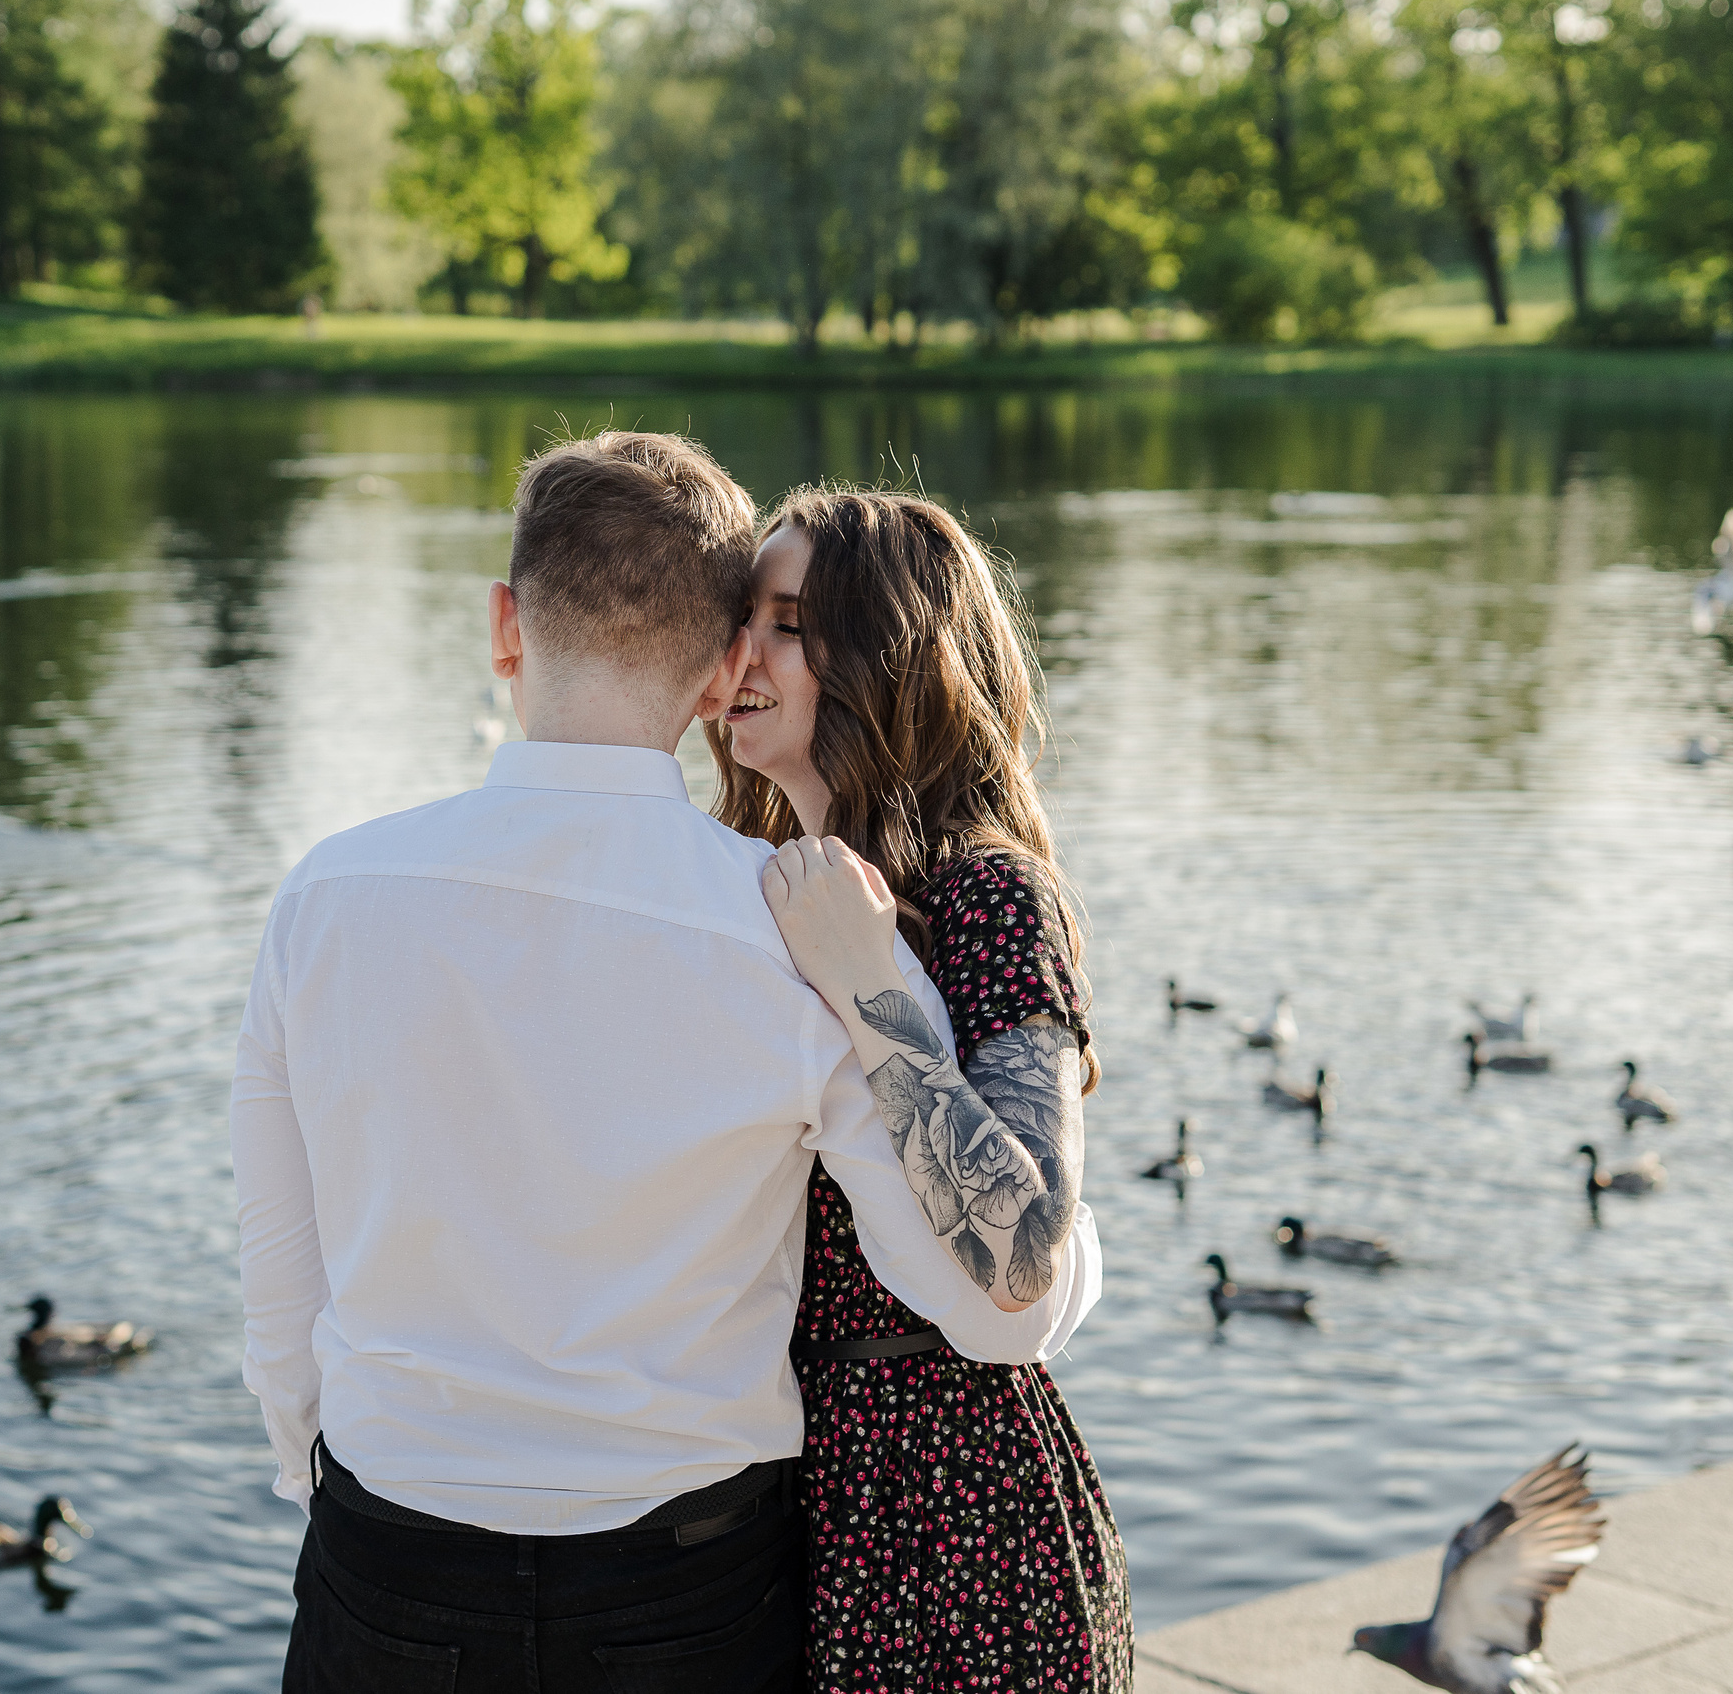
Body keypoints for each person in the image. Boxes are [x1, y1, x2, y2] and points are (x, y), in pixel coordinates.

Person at [229, 432, 1104, 1694]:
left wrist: (340, 1471)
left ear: (502, 627)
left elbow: (281, 1268)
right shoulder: (791, 924)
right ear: (715, 672)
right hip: (686, 1580)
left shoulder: (325, 895)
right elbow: (1001, 1299)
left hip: (389, 1553)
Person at [714, 486, 1136, 1692]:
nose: (743, 652)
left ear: (886, 653)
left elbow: (1020, 1251)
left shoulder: (988, 896)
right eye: (744, 617)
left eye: (787, 622)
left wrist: (865, 985)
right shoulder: (743, 887)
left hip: (960, 1518)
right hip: (785, 1505)